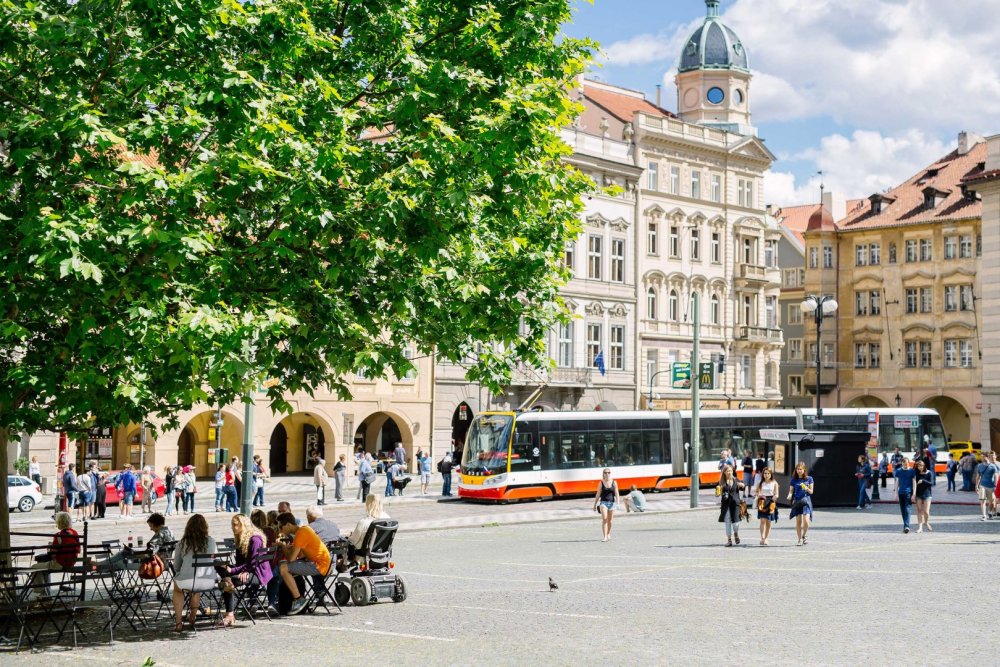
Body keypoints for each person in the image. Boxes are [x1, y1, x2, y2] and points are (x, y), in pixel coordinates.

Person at [216, 514, 272, 627]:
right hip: (247, 570)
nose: (233, 527)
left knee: (228, 581)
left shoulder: (255, 539)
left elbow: (252, 563)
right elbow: (241, 564)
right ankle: (227, 582)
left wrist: (233, 570)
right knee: (217, 563)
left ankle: (229, 615)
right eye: (232, 524)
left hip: (257, 574)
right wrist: (234, 569)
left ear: (244, 525)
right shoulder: (241, 538)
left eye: (235, 525)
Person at [276, 512, 331, 616]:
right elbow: (300, 554)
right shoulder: (304, 529)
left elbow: (291, 559)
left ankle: (298, 599)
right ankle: (293, 598)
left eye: (281, 527)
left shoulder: (300, 534)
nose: (280, 530)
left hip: (319, 566)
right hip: (322, 563)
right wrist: (290, 548)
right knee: (285, 565)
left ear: (288, 525)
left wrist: (283, 546)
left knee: (283, 567)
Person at [171, 514, 218, 632]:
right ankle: (192, 616)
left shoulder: (182, 543)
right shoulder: (211, 541)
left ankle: (178, 622)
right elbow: (214, 559)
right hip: (208, 581)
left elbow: (176, 566)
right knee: (196, 589)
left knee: (178, 589)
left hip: (188, 581)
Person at [26, 511, 80, 598]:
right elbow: (78, 549)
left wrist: (51, 551)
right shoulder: (75, 533)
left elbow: (53, 554)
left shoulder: (59, 535)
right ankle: (44, 593)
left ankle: (42, 591)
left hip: (60, 564)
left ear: (59, 523)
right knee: (42, 568)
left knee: (34, 567)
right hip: (71, 563)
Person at [100, 511, 176, 571]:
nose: (151, 529)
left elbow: (148, 555)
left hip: (153, 564)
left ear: (155, 524)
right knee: (126, 553)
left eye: (151, 526)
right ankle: (101, 564)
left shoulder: (159, 535)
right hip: (166, 563)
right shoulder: (170, 532)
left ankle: (99, 566)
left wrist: (134, 553)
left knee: (120, 560)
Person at [348, 495, 391, 562]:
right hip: (382, 553)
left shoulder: (364, 522)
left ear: (368, 505)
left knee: (347, 543)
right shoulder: (388, 519)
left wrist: (350, 536)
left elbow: (353, 541)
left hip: (364, 555)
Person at [787, 462, 814, 546]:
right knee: (798, 522)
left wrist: (806, 488)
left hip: (806, 501)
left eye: (801, 469)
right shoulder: (794, 479)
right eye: (798, 469)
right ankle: (799, 539)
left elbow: (811, 491)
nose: (799, 471)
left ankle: (804, 535)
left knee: (806, 520)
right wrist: (789, 495)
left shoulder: (809, 479)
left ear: (804, 470)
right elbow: (791, 491)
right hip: (798, 501)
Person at [717, 464, 744, 547]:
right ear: (724, 472)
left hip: (735, 503)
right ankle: (729, 540)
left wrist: (742, 485)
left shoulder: (736, 480)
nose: (729, 472)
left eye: (731, 471)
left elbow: (743, 487)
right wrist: (719, 491)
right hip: (726, 504)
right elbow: (717, 494)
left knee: (736, 523)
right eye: (727, 471)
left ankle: (736, 533)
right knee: (727, 521)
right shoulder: (721, 482)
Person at [592, 468, 620, 543]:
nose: (607, 474)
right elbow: (598, 494)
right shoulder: (601, 483)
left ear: (610, 473)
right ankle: (605, 537)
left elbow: (617, 493)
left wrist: (618, 503)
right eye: (605, 472)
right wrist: (595, 504)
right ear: (603, 474)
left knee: (610, 521)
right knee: (604, 519)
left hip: (612, 503)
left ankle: (608, 534)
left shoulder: (614, 482)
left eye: (608, 472)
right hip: (603, 503)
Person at [755, 467, 779, 545]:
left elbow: (776, 494)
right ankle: (762, 538)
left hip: (771, 501)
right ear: (763, 474)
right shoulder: (760, 482)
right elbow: (756, 492)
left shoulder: (774, 483)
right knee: (762, 520)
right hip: (762, 501)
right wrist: (759, 495)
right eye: (765, 473)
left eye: (768, 473)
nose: (766, 475)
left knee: (768, 521)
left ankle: (766, 538)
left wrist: (775, 497)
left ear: (771, 474)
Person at [894, 457, 916, 533]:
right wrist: (896, 493)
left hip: (908, 493)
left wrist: (914, 494)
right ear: (902, 463)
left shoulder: (912, 471)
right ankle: (905, 526)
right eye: (904, 463)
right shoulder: (898, 471)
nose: (905, 465)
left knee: (907, 509)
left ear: (908, 463)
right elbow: (897, 482)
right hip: (901, 493)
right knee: (903, 511)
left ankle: (907, 526)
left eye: (906, 463)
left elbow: (914, 482)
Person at [976, 451, 999, 521]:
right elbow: (978, 476)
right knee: (982, 500)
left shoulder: (993, 466)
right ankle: (983, 515)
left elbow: (996, 476)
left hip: (991, 486)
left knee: (991, 502)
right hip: (982, 485)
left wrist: (995, 485)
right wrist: (976, 485)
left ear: (987, 457)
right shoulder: (980, 466)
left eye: (983, 457)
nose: (982, 458)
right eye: (981, 457)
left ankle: (990, 512)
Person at [914, 459, 933, 533]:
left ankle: (926, 522)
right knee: (919, 511)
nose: (920, 467)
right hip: (918, 494)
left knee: (926, 512)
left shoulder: (928, 473)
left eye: (921, 466)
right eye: (919, 466)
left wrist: (923, 481)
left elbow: (931, 483)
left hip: (927, 494)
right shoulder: (916, 473)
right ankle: (920, 527)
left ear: (924, 466)